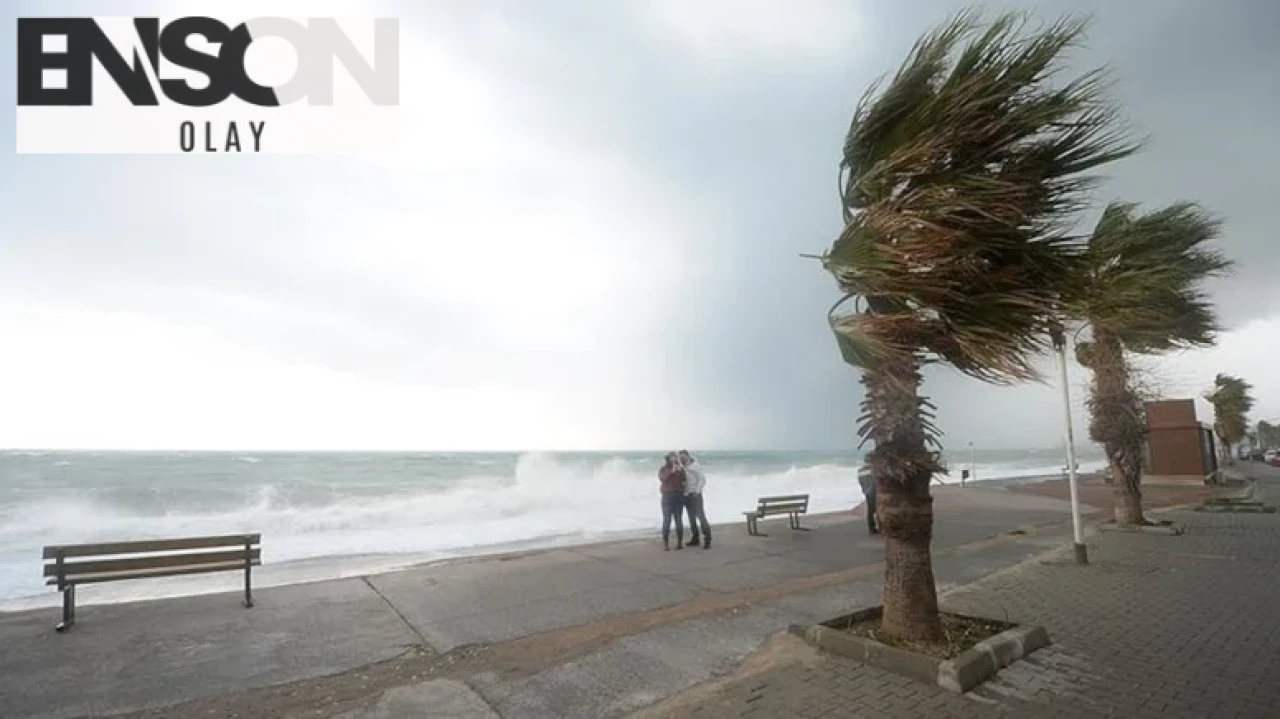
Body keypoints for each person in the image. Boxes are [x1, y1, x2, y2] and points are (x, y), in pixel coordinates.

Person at [679, 450, 711, 549]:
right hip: (687, 495)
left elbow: (702, 479)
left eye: (684, 457)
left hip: (695, 495)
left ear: (688, 456)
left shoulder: (695, 466)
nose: (682, 459)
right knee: (691, 518)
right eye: (681, 457)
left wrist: (697, 491)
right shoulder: (683, 467)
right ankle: (695, 538)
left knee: (701, 517)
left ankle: (708, 539)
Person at [658, 452, 686, 550]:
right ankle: (666, 545)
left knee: (678, 520)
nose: (674, 459)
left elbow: (684, 480)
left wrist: (681, 470)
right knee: (667, 520)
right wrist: (671, 472)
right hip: (667, 496)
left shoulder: (679, 468)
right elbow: (662, 479)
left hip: (678, 496)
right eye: (672, 457)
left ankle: (679, 543)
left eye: (675, 457)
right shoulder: (663, 469)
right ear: (668, 459)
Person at [857, 465, 879, 535]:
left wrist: (864, 490)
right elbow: (875, 481)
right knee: (877, 509)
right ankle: (878, 527)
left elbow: (860, 482)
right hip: (874, 491)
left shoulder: (860, 470)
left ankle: (871, 528)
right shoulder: (873, 469)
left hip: (867, 491)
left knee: (870, 511)